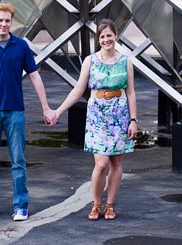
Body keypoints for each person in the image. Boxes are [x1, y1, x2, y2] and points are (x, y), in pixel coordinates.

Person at [0, 2, 54, 222]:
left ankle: (21, 206)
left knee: (18, 160)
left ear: (11, 22)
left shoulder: (21, 46)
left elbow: (35, 76)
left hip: (15, 111)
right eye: (0, 20)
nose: (4, 24)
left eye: (7, 20)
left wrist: (45, 107)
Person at [50, 18, 138, 221]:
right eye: (102, 36)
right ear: (98, 39)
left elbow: (131, 92)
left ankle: (110, 205)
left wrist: (133, 119)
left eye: (109, 35)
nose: (106, 39)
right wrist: (59, 111)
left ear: (116, 36)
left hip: (119, 114)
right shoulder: (90, 61)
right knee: (101, 163)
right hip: (97, 114)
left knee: (116, 161)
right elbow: (78, 90)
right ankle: (96, 203)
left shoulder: (126, 61)